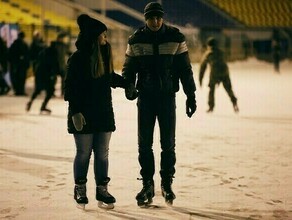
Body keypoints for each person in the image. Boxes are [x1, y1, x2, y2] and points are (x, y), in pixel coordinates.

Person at [122, 2, 197, 206]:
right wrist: (128, 86)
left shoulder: (175, 37)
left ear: (162, 18)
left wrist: (191, 95)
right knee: (144, 145)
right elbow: (128, 68)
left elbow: (185, 69)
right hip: (145, 98)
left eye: (158, 17)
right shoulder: (136, 39)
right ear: (145, 19)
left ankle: (166, 183)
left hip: (166, 98)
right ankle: (147, 184)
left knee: (168, 144)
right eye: (151, 18)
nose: (155, 21)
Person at [64, 14, 136, 209]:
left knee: (102, 154)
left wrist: (126, 83)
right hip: (83, 114)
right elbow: (69, 88)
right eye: (103, 35)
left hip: (103, 112)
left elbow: (109, 77)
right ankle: (80, 188)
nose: (106, 39)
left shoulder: (104, 55)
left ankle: (101, 190)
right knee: (84, 152)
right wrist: (76, 112)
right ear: (94, 37)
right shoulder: (77, 59)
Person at [199, 37, 239, 113]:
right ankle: (234, 102)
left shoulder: (208, 54)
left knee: (211, 89)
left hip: (215, 74)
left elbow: (202, 68)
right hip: (225, 72)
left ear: (209, 45)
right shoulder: (221, 52)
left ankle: (211, 107)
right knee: (228, 89)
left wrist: (200, 79)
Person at [26, 40, 60, 114]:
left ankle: (30, 102)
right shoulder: (54, 52)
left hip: (39, 73)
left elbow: (37, 61)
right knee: (50, 91)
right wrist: (56, 73)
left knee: (38, 89)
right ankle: (43, 106)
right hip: (47, 74)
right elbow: (54, 64)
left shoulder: (43, 51)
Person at [8, 31, 30, 96]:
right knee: (21, 78)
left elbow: (10, 55)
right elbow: (27, 55)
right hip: (20, 65)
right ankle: (20, 90)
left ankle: (18, 90)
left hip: (17, 65)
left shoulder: (15, 44)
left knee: (18, 78)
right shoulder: (23, 44)